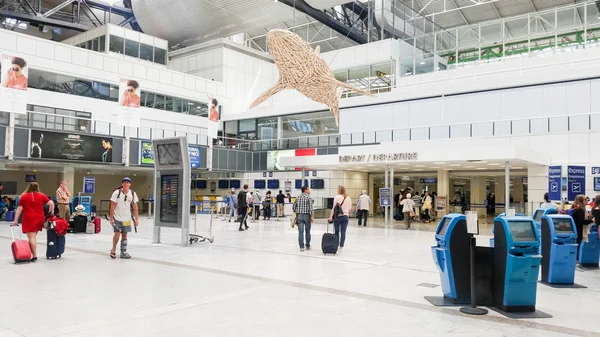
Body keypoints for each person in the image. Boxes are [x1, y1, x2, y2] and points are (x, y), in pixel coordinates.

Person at [12, 182, 54, 262]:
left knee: (31, 237)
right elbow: (51, 203)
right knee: (33, 237)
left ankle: (34, 255)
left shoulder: (23, 196)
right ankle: (31, 253)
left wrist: (15, 220)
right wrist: (51, 212)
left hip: (29, 218)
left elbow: (19, 209)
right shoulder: (41, 195)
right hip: (39, 218)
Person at [109, 177, 139, 259]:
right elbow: (112, 207)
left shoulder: (132, 194)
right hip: (117, 217)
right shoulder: (117, 193)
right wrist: (111, 218)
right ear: (122, 184)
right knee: (117, 234)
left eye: (128, 182)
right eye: (124, 182)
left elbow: (135, 207)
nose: (126, 183)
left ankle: (123, 251)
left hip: (127, 218)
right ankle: (113, 249)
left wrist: (136, 219)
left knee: (125, 235)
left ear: (130, 184)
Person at [329, 185, 352, 251]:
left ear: (339, 190)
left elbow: (334, 208)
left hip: (338, 216)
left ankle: (336, 244)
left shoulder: (337, 197)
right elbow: (350, 208)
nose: (336, 190)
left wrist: (331, 216)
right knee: (343, 231)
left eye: (337, 189)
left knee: (336, 231)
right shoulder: (348, 198)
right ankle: (341, 246)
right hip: (345, 216)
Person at [570, 194, 593, 260]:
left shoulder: (575, 208)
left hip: (576, 229)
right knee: (578, 244)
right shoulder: (580, 209)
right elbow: (581, 221)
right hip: (579, 229)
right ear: (580, 201)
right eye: (585, 199)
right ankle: (577, 259)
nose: (587, 201)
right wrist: (591, 221)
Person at [293, 185, 313, 252]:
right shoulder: (308, 198)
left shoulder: (298, 197)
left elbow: (293, 207)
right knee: (308, 231)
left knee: (300, 232)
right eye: (308, 189)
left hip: (299, 216)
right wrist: (312, 217)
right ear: (305, 190)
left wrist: (297, 211)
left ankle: (301, 247)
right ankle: (307, 245)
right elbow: (311, 209)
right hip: (307, 216)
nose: (309, 191)